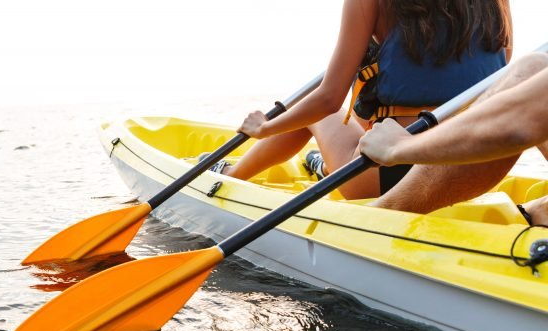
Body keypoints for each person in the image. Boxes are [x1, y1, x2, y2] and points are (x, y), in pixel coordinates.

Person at [209, 0, 512, 200]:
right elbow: (500, 72)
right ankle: (328, 167)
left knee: (318, 115)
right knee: (362, 118)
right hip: (471, 162)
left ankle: (231, 176)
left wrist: (263, 128)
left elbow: (327, 100)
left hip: (391, 172)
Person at [360, 51, 548, 226]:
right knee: (533, 67)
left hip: (389, 166)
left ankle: (385, 213)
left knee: (530, 72)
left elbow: (520, 121)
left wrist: (398, 146)